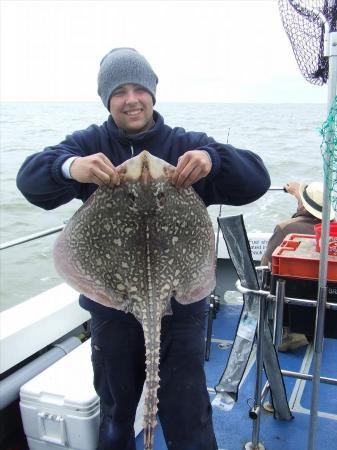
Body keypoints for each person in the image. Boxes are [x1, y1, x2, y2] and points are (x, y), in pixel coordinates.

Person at [16, 47, 271, 450]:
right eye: (119, 91)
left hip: (181, 307)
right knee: (117, 412)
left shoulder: (185, 143)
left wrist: (212, 160)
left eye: (139, 89)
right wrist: (71, 168)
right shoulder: (89, 143)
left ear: (153, 94)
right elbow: (30, 182)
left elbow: (256, 179)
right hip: (112, 305)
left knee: (187, 411)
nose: (131, 99)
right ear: (106, 99)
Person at [261, 181, 335, 352]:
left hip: (294, 300)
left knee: (277, 274)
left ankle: (294, 332)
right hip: (326, 302)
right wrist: (297, 194)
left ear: (303, 206)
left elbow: (268, 265)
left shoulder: (286, 228)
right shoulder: (332, 230)